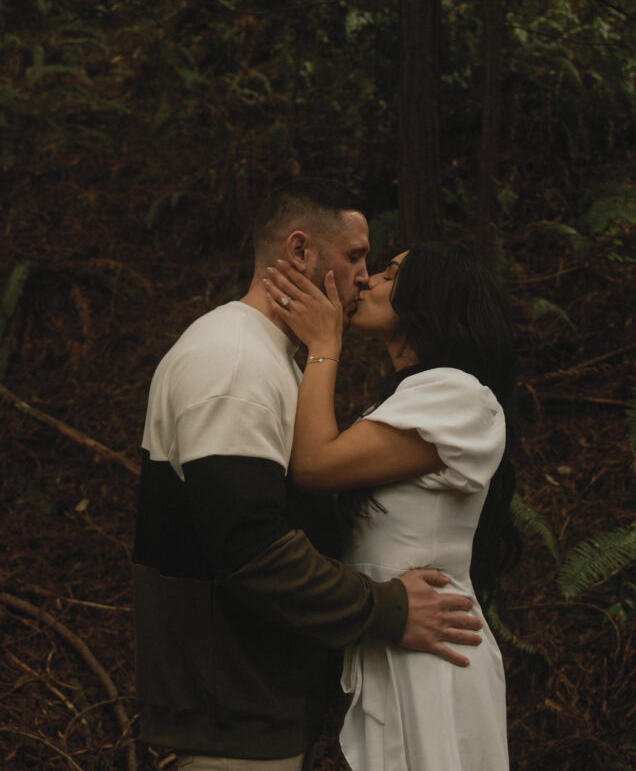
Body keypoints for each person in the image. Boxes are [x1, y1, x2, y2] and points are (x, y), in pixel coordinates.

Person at [132, 180, 483, 771]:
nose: (365, 277)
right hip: (230, 717)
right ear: (299, 252)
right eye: (355, 256)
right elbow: (252, 553)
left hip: (254, 704)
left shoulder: (268, 360)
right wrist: (389, 610)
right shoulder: (232, 362)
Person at [264, 240, 519, 771]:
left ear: (432, 296)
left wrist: (323, 345)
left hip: (433, 659)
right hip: (399, 640)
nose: (366, 281)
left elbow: (312, 465)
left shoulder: (457, 395)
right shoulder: (410, 397)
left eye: (389, 274)